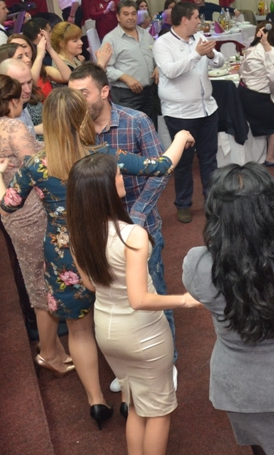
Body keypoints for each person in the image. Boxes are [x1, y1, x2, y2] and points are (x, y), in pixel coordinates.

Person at [0, 88, 193, 429]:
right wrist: (181, 137)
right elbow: (159, 166)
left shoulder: (35, 166)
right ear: (82, 118)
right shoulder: (103, 156)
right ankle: (128, 397)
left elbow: (6, 205)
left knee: (79, 330)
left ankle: (96, 401)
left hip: (62, 256)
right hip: (104, 247)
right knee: (117, 315)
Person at [184, 164, 274, 455]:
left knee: (261, 448)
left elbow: (199, 293)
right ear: (271, 207)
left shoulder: (197, 263)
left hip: (240, 384)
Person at [66, 153, 200, 455]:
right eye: (117, 174)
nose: (122, 177)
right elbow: (139, 299)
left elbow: (90, 285)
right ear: (103, 189)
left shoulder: (78, 234)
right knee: (160, 410)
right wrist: (185, 300)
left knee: (137, 403)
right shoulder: (132, 235)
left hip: (106, 329)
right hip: (142, 333)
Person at [68, 61, 177, 392]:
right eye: (72, 94)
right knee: (112, 295)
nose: (76, 101)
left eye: (83, 93)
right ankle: (127, 364)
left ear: (104, 91)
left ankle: (167, 361)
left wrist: (138, 214)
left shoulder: (136, 121)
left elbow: (159, 172)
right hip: (99, 231)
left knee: (153, 292)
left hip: (141, 224)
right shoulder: (75, 129)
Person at [0, 76, 62, 370]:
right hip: (30, 211)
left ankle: (53, 347)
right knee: (43, 284)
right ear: (12, 100)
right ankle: (49, 354)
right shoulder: (13, 127)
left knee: (35, 279)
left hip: (13, 211)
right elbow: (39, 164)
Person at [153, 1, 227, 223]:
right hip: (180, 113)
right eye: (196, 17)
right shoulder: (163, 43)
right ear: (184, 20)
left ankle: (211, 202)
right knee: (184, 162)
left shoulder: (199, 38)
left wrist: (211, 55)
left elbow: (220, 62)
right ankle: (183, 204)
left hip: (207, 109)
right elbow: (171, 71)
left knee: (209, 159)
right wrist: (196, 54)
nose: (199, 21)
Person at [238, 22, 274, 166]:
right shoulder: (267, 51)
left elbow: (241, 70)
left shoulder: (251, 48)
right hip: (257, 96)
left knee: (272, 120)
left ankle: (272, 151)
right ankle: (270, 157)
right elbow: (273, 77)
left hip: (244, 91)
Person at [102, 0, 158, 123]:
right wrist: (126, 78)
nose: (131, 17)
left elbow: (156, 54)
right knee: (130, 129)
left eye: (133, 14)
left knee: (151, 129)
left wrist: (157, 67)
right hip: (126, 95)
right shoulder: (110, 39)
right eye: (126, 14)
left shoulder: (145, 34)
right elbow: (105, 68)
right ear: (118, 17)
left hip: (149, 92)